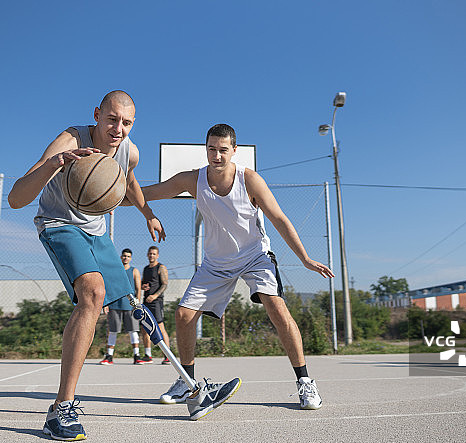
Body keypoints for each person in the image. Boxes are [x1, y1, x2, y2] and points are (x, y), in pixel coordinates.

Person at [140, 123, 334, 418]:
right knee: (182, 315)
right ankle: (187, 381)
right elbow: (148, 192)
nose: (216, 156)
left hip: (255, 256)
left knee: (277, 309)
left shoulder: (250, 180)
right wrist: (114, 197)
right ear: (205, 149)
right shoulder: (192, 180)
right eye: (211, 149)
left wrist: (304, 257)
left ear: (234, 151)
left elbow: (279, 218)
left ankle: (305, 381)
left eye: (222, 150)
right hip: (216, 264)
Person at [7, 90, 165, 441]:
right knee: (93, 294)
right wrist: (56, 163)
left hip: (97, 231)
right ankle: (61, 408)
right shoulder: (69, 139)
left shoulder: (129, 150)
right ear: (96, 114)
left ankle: (189, 387)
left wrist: (148, 212)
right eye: (111, 119)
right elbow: (16, 198)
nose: (118, 129)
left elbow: (129, 181)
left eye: (126, 123)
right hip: (59, 224)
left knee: (131, 304)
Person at [100, 248, 144, 365]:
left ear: (131, 258)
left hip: (130, 305)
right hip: (115, 304)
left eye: (128, 256)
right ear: (121, 257)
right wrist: (106, 303)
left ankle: (137, 355)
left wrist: (137, 304)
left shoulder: (134, 271)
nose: (126, 258)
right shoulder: (115, 270)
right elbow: (108, 287)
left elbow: (138, 289)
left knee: (133, 331)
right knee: (113, 331)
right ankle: (109, 356)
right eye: (124, 256)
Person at [139, 245, 171, 364]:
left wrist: (155, 296)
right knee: (144, 328)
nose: (151, 255)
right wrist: (143, 286)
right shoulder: (146, 268)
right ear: (147, 254)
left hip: (156, 302)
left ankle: (167, 355)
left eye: (154, 254)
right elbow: (144, 283)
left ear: (157, 255)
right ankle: (148, 355)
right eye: (150, 253)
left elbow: (164, 284)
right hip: (146, 301)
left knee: (160, 327)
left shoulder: (161, 267)